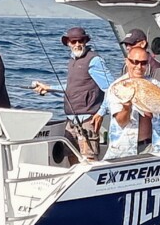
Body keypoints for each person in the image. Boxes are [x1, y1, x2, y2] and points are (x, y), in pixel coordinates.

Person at [32, 27, 113, 160]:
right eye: (73, 41)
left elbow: (112, 89)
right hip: (71, 119)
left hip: (88, 120)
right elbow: (73, 87)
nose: (77, 44)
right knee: (70, 156)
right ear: (68, 43)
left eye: (80, 41)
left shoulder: (94, 60)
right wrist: (49, 88)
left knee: (89, 158)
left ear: (85, 41)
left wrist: (101, 112)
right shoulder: (72, 61)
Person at [103, 47, 160, 160]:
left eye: (143, 63)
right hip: (124, 150)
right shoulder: (118, 87)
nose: (139, 67)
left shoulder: (156, 85)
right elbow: (121, 121)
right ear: (127, 61)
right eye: (135, 62)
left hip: (155, 147)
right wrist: (126, 108)